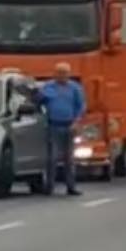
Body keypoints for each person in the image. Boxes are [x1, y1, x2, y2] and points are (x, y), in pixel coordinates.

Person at [39, 61, 87, 196]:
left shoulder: (75, 88)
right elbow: (39, 100)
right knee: (52, 158)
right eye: (59, 72)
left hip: (69, 125)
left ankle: (71, 187)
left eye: (64, 73)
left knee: (69, 158)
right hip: (53, 125)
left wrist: (77, 122)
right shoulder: (48, 87)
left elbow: (81, 106)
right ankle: (49, 187)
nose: (62, 75)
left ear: (69, 74)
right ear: (55, 74)